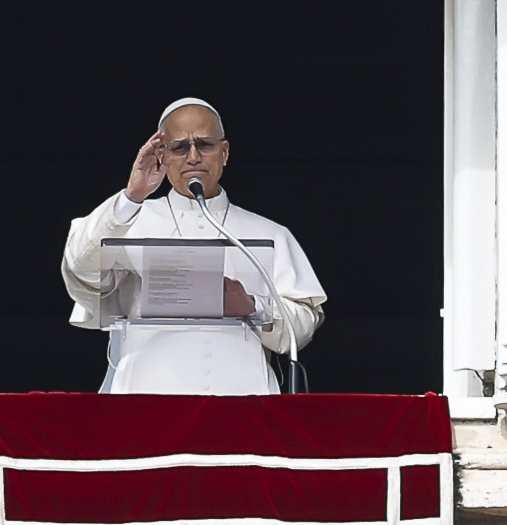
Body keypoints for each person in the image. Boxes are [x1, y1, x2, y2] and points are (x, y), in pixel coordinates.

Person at [61, 97, 326, 395]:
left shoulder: (270, 233)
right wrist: (132, 196)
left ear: (224, 152)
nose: (193, 157)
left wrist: (253, 307)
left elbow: (302, 327)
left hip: (244, 400)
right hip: (146, 397)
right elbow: (79, 271)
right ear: (161, 156)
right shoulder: (128, 220)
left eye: (205, 145)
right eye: (179, 147)